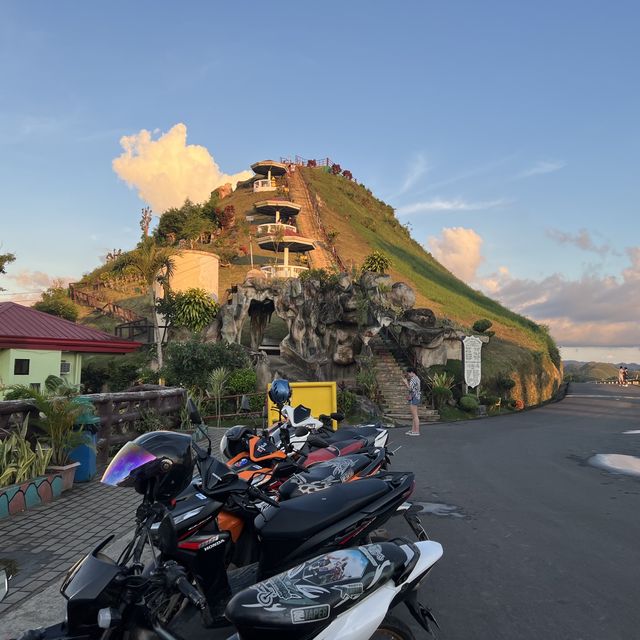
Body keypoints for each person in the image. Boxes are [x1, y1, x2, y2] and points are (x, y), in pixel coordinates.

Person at [403, 368, 421, 436]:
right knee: (414, 415)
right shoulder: (417, 378)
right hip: (416, 397)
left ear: (412, 372)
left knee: (415, 415)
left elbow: (410, 389)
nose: (408, 374)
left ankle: (416, 431)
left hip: (414, 397)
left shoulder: (413, 379)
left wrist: (405, 383)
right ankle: (414, 430)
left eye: (408, 373)